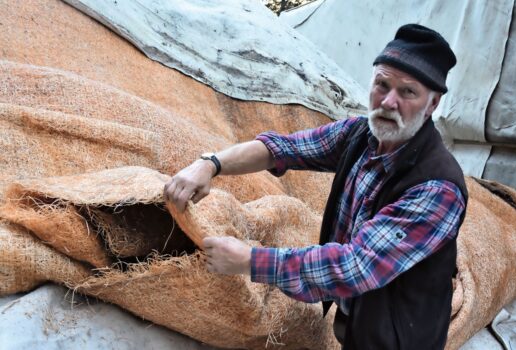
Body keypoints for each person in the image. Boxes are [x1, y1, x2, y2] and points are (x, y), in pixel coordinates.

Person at [164, 24, 468, 350]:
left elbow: (355, 267)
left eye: (408, 92)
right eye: (382, 84)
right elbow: (282, 148)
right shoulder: (360, 136)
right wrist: (209, 164)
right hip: (359, 325)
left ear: (433, 103)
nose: (389, 102)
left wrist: (250, 261)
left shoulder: (437, 188)